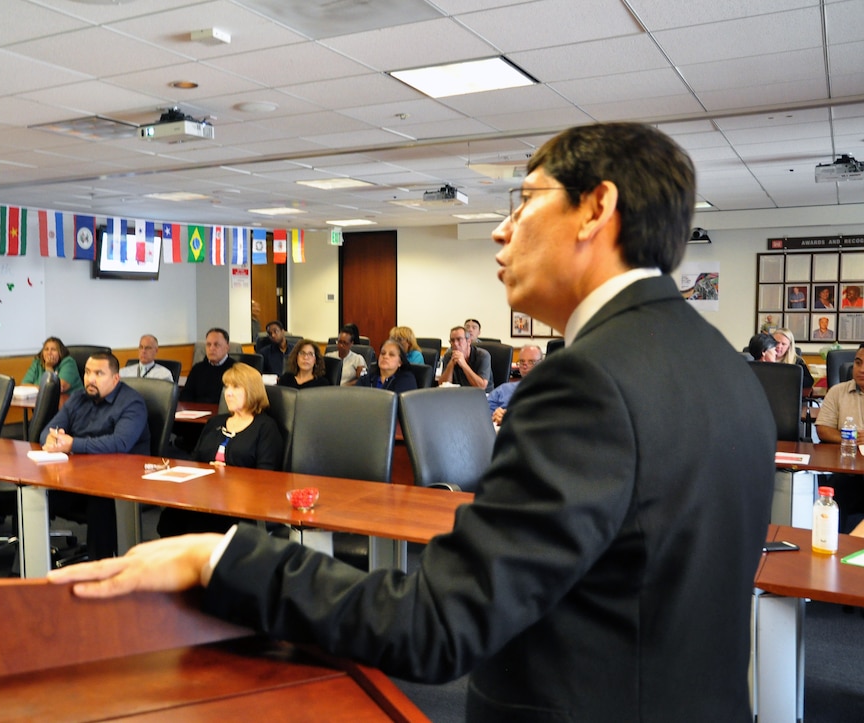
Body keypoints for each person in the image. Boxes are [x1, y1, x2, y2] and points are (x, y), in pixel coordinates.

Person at [49, 122, 775, 722]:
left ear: (596, 207)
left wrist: (221, 558)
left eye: (524, 201)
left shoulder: (586, 380)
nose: (501, 229)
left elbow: (439, 623)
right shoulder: (723, 368)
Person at [41, 352, 148, 559]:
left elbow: (120, 443)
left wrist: (73, 444)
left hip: (121, 481)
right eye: (88, 372)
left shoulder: (132, 403)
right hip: (80, 474)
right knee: (34, 490)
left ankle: (101, 568)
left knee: (101, 502)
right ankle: (30, 565)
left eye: (99, 373)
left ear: (115, 378)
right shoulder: (79, 397)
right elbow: (48, 429)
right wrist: (53, 438)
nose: (90, 379)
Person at [158, 364, 283, 538]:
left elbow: (265, 476)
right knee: (172, 515)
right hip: (205, 495)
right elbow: (195, 460)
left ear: (252, 391)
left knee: (199, 521)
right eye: (226, 387)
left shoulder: (265, 427)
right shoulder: (215, 422)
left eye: (236, 387)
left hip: (239, 502)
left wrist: (227, 475)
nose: (228, 393)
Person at [814, 343, 864, 530]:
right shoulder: (837, 391)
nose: (861, 369)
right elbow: (823, 429)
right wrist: (849, 439)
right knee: (837, 491)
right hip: (847, 468)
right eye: (858, 363)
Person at [486, 344, 542, 425]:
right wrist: (495, 416)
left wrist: (511, 419)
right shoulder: (503, 389)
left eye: (531, 362)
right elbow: (483, 413)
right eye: (522, 362)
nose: (525, 366)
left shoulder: (551, 391)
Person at [181, 328, 236, 404]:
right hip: (197, 412)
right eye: (208, 344)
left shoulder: (235, 370)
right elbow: (186, 395)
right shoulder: (198, 368)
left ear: (227, 347)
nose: (211, 348)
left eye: (216, 345)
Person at [439, 325, 493, 392]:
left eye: (459, 339)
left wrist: (464, 364)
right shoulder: (448, 356)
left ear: (469, 341)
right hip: (459, 395)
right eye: (452, 341)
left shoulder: (482, 355)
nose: (455, 344)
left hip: (482, 396)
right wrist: (451, 364)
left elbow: (481, 386)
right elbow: (442, 385)